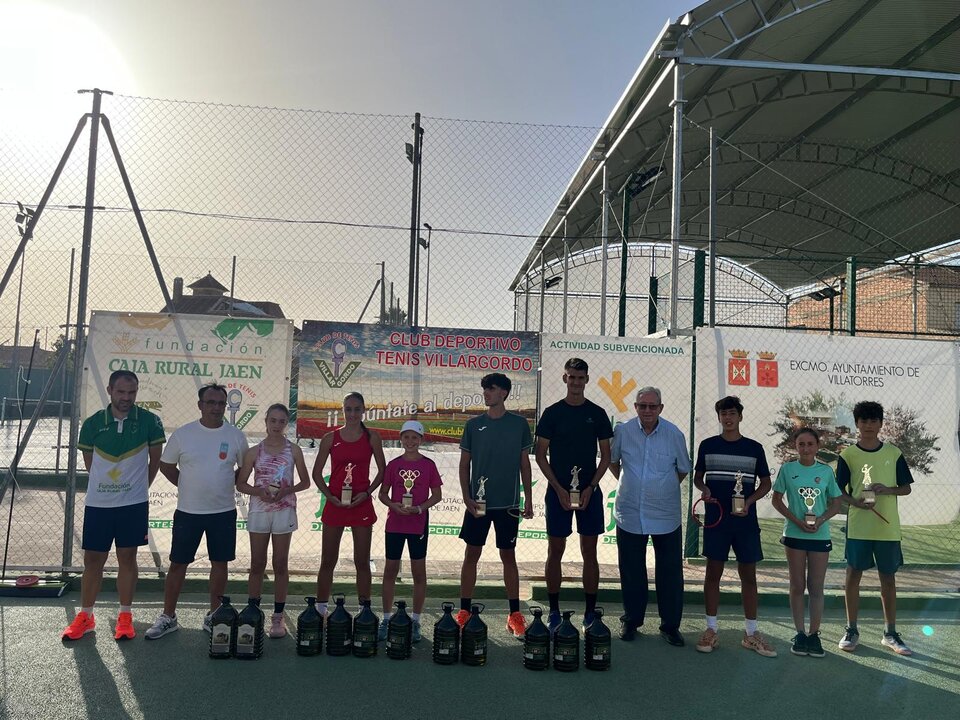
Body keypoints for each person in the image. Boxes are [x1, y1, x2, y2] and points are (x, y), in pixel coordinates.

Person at [62, 370, 165, 641]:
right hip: (99, 504)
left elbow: (155, 461)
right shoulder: (94, 423)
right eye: (121, 392)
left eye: (132, 393)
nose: (126, 398)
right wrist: (107, 488)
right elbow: (90, 464)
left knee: (127, 558)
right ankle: (86, 615)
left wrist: (138, 489)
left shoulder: (150, 421)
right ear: (109, 390)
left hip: (133, 504)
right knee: (92, 560)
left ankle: (125, 615)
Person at [145, 383, 249, 640]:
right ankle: (168, 617)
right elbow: (166, 466)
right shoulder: (183, 434)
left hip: (223, 512)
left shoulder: (236, 435)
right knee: (178, 563)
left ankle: (214, 616)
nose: (216, 408)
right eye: (210, 402)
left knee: (219, 563)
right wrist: (188, 485)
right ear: (200, 405)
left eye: (220, 403)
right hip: (188, 512)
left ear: (226, 406)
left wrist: (225, 483)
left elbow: (244, 470)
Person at [693, 396, 776, 657]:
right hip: (717, 520)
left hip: (745, 523)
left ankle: (751, 634)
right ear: (719, 418)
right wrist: (704, 488)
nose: (727, 418)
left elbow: (765, 483)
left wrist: (749, 501)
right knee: (712, 575)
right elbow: (698, 477)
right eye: (723, 414)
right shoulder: (707, 446)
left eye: (732, 413)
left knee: (748, 577)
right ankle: (711, 630)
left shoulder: (754, 448)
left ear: (740, 416)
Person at [535, 358, 612, 631]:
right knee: (555, 549)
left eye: (581, 378)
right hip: (557, 494)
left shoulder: (598, 413)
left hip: (589, 493)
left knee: (589, 551)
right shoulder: (553, 413)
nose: (576, 382)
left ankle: (591, 612)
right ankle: (553, 611)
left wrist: (590, 487)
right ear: (564, 378)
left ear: (587, 380)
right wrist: (557, 488)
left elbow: (606, 457)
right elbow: (540, 455)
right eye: (571, 377)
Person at [609, 386, 691, 646]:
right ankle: (631, 621)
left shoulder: (674, 434)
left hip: (665, 515)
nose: (647, 410)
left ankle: (670, 626)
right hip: (629, 514)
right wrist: (633, 484)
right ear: (635, 407)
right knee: (632, 571)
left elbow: (682, 469)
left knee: (669, 573)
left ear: (661, 408)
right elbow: (613, 462)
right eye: (642, 406)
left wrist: (659, 489)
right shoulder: (622, 431)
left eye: (652, 406)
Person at [835, 401, 914, 656]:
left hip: (886, 528)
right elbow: (838, 492)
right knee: (852, 577)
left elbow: (906, 488)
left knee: (888, 579)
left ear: (880, 424)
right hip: (859, 527)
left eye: (873, 421)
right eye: (863, 421)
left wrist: (887, 489)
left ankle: (890, 633)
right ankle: (851, 629)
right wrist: (855, 502)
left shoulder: (893, 453)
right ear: (856, 424)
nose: (868, 426)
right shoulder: (848, 455)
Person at [457, 372, 534, 637]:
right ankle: (464, 611)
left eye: (490, 389)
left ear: (503, 392)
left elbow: (525, 464)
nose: (485, 393)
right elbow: (465, 463)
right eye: (484, 389)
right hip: (478, 504)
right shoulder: (473, 424)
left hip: (508, 505)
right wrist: (467, 497)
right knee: (471, 555)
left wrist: (529, 500)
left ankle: (514, 615)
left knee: (508, 557)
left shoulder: (520, 424)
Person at [235, 403, 311, 638]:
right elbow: (241, 483)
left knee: (280, 563)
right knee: (257, 563)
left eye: (281, 421)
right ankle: (253, 613)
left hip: (284, 510)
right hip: (259, 510)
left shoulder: (294, 450)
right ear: (266, 422)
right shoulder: (254, 451)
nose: (276, 425)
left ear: (285, 424)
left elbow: (305, 482)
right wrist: (260, 492)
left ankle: (278, 618)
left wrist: (285, 492)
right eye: (273, 420)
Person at [312, 391, 386, 614]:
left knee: (362, 561)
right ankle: (320, 609)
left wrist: (367, 493)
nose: (352, 413)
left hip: (361, 504)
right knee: (328, 560)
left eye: (356, 409)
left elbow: (382, 471)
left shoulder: (372, 437)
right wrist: (329, 496)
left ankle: (365, 611)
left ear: (364, 410)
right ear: (342, 410)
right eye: (348, 409)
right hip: (335, 504)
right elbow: (316, 474)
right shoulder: (330, 438)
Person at [771, 427, 842, 658]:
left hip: (819, 536)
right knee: (797, 585)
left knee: (816, 586)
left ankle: (814, 635)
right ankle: (800, 633)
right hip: (794, 534)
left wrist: (820, 520)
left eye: (810, 444)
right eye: (801, 444)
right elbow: (777, 500)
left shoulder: (826, 472)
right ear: (795, 445)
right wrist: (796, 521)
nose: (805, 448)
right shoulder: (788, 469)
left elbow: (836, 503)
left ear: (817, 446)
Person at [377, 420, 443, 643]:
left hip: (418, 525)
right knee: (390, 571)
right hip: (394, 524)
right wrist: (393, 505)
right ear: (401, 438)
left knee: (418, 573)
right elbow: (383, 493)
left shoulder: (429, 465)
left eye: (415, 437)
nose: (410, 441)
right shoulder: (394, 464)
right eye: (406, 437)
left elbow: (437, 496)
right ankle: (386, 618)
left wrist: (419, 508)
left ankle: (415, 621)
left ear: (421, 440)